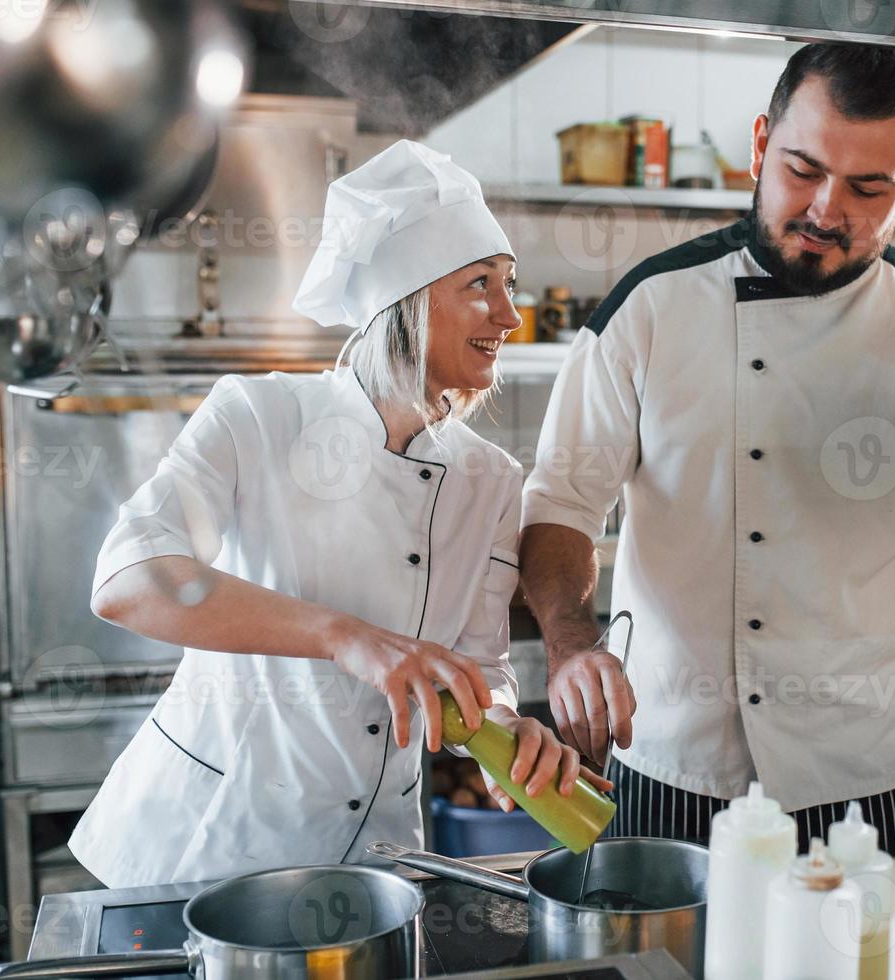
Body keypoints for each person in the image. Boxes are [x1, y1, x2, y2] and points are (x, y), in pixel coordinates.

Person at [520, 44, 895, 851]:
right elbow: (559, 503)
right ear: (760, 144)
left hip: (857, 782)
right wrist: (571, 647)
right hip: (666, 764)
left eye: (870, 188)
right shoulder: (650, 308)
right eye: (803, 169)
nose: (828, 210)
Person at [69, 141, 604, 887]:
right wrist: (345, 638)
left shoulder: (488, 476)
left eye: (509, 283)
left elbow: (479, 666)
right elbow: (125, 581)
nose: (510, 316)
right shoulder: (256, 415)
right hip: (207, 849)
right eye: (481, 284)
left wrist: (508, 727)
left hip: (375, 861)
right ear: (408, 301)